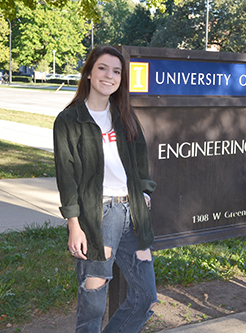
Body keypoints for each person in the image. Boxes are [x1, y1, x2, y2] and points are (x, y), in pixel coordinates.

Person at [53, 45, 158, 333]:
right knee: (94, 303)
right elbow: (67, 177)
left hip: (134, 216)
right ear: (88, 73)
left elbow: (140, 163)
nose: (109, 75)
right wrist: (74, 225)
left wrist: (145, 194)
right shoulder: (69, 120)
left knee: (146, 298)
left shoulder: (124, 115)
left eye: (116, 71)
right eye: (102, 68)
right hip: (98, 218)